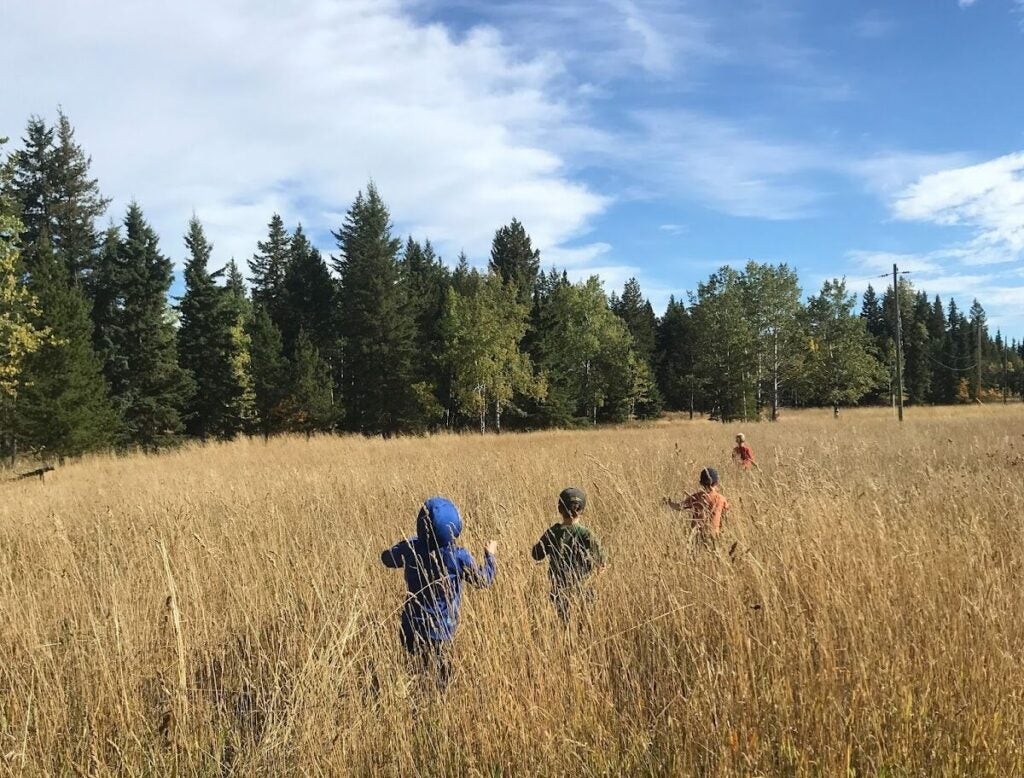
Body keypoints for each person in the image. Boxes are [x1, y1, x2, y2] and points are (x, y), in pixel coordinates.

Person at [381, 497, 497, 688]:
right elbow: (483, 580)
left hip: (410, 627)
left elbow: (386, 559)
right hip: (439, 632)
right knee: (441, 680)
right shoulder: (459, 557)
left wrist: (406, 543)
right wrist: (490, 556)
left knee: (414, 674)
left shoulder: (411, 548)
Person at [532, 487, 606, 624]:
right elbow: (602, 562)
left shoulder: (553, 532)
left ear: (559, 509)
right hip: (583, 589)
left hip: (558, 589)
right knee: (583, 624)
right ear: (582, 510)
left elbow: (536, 554)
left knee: (563, 623)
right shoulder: (587, 534)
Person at [666, 467, 730, 550]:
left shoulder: (697, 497)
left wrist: (669, 503)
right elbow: (726, 517)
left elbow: (680, 507)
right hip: (714, 536)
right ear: (717, 482)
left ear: (701, 483)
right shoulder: (722, 499)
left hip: (698, 535)